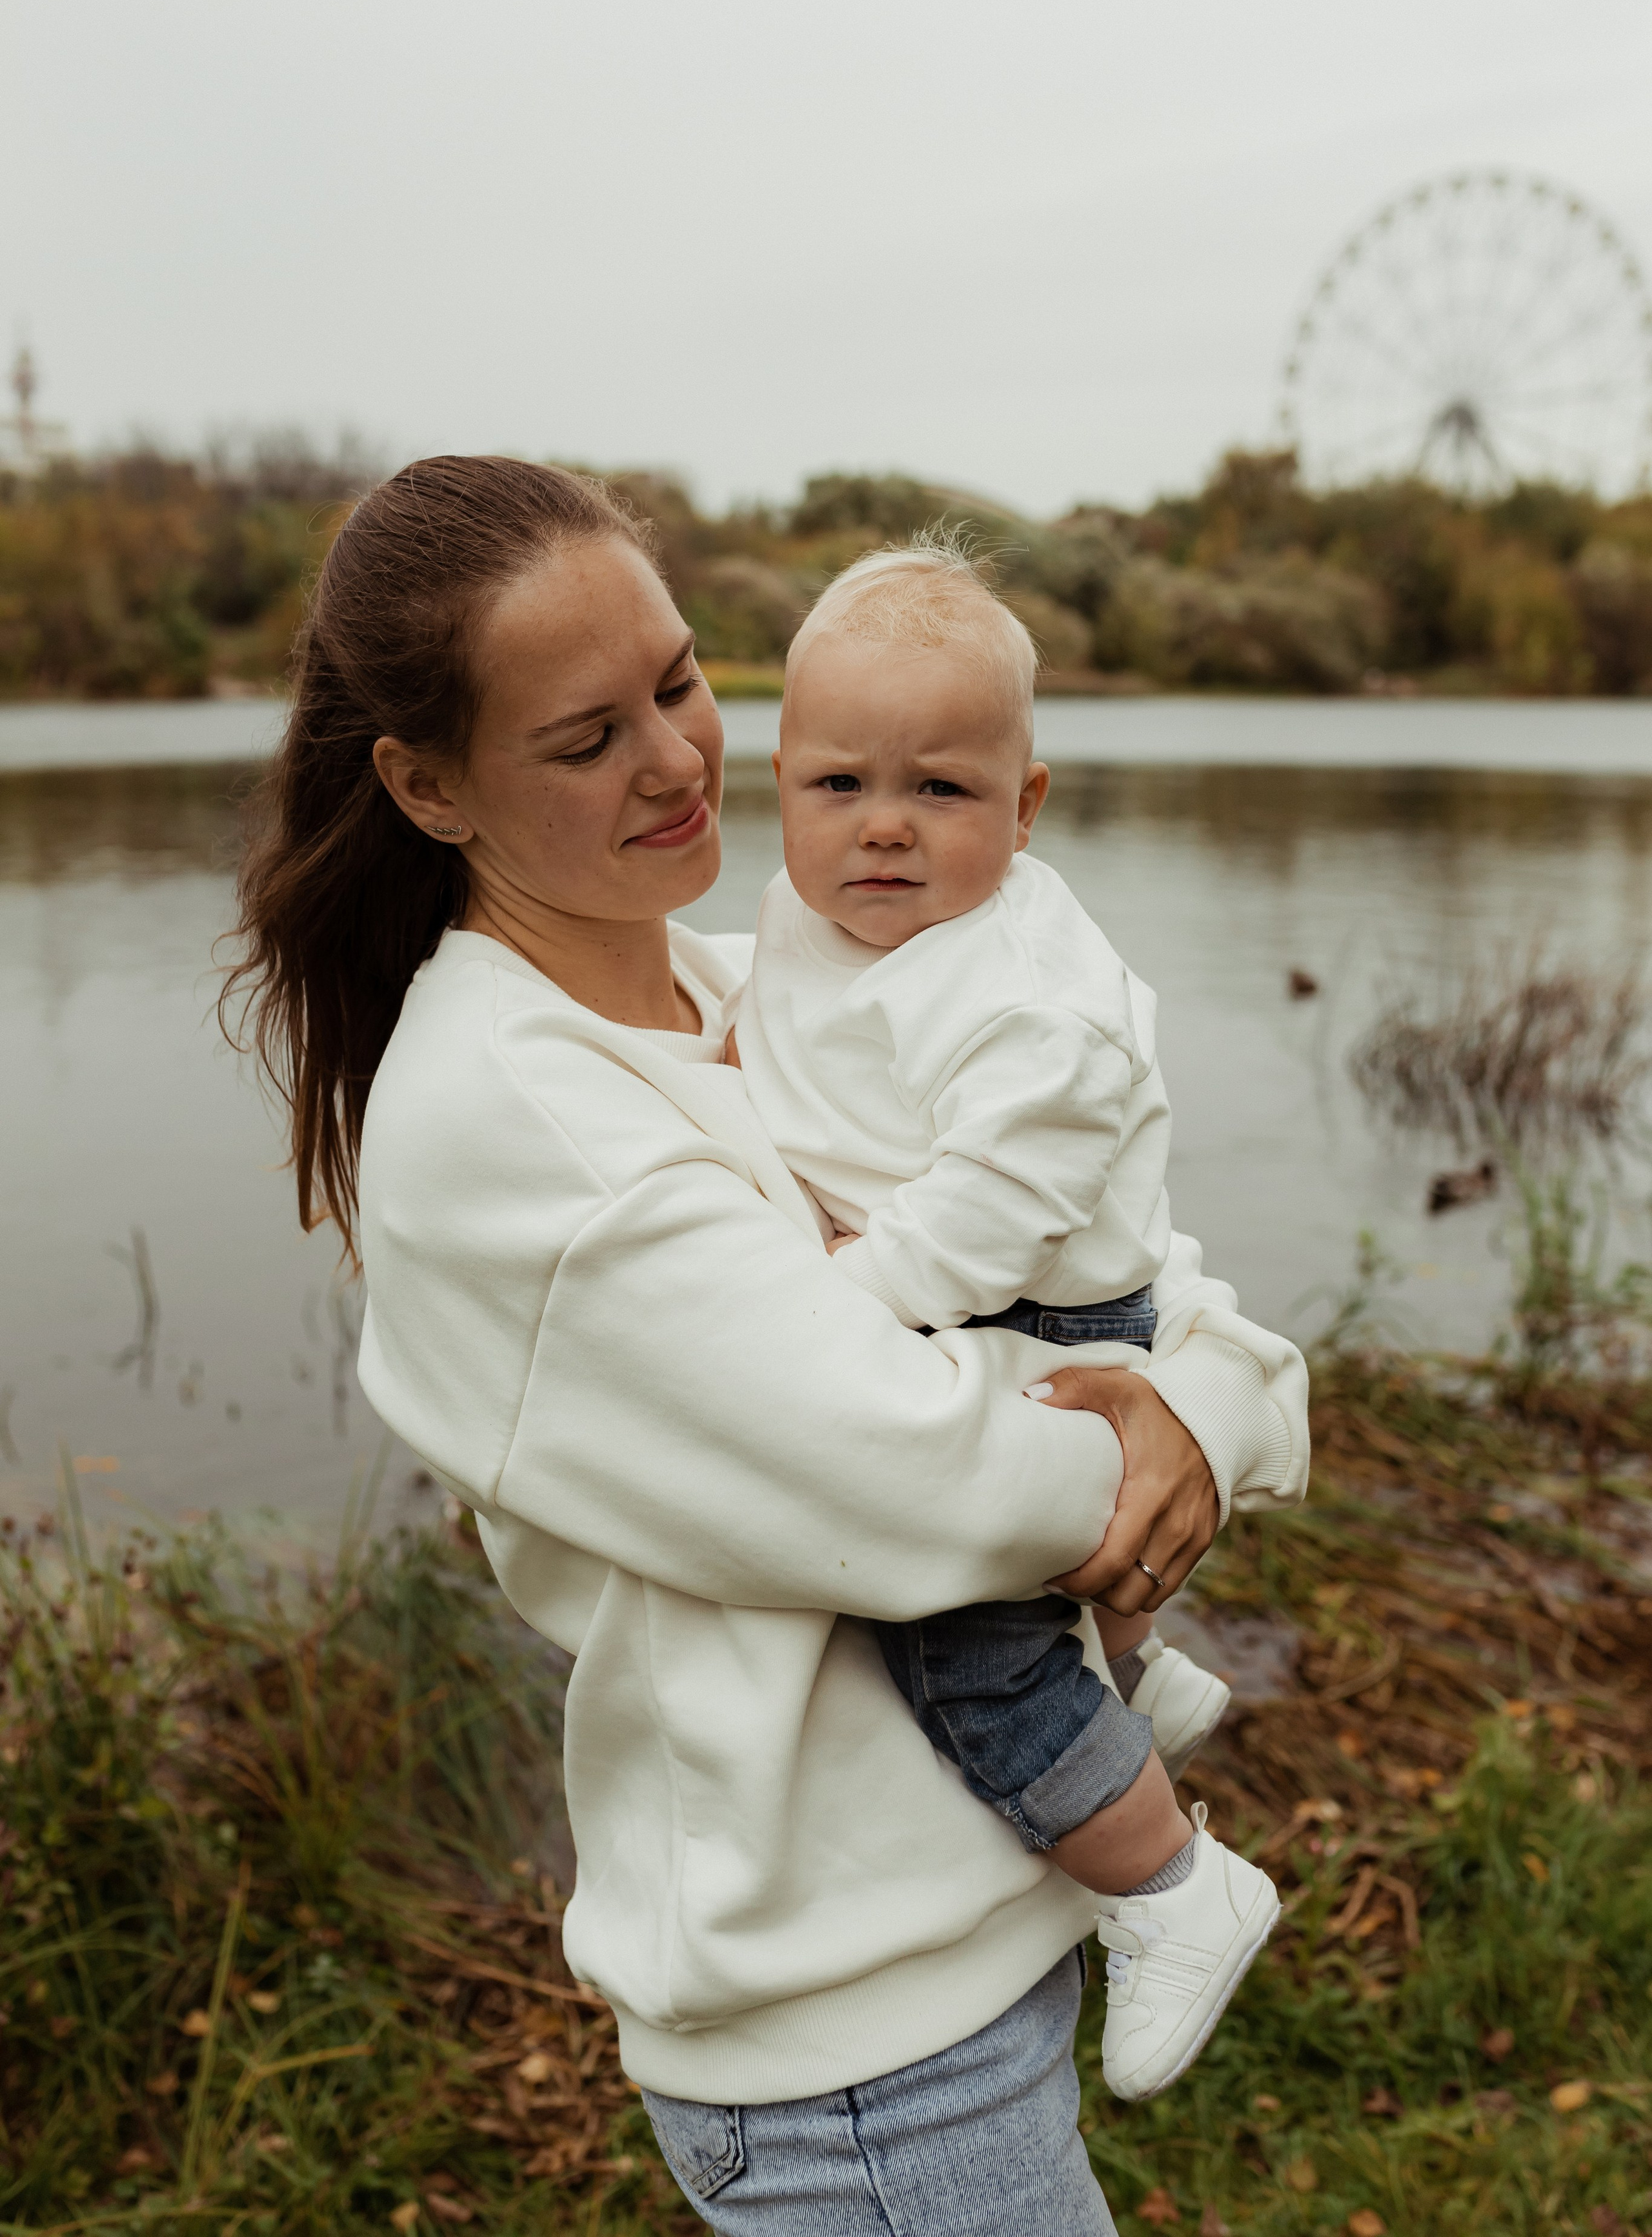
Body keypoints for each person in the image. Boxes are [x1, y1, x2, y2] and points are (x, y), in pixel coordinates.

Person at [225, 456, 1309, 2236]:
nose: (674, 760)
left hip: (974, 1933)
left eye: (678, 683)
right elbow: (913, 1471)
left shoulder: (751, 987)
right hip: (853, 2049)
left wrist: (1209, 1391)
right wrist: (1172, 1434)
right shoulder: (511, 1120)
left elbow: (1121, 1249)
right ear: (428, 786)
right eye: (586, 740)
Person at [734, 537, 1285, 2100]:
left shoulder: (1027, 998)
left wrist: (843, 1299)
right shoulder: (813, 919)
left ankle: (1172, 1887)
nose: (883, 826)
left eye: (941, 790)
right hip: (978, 1284)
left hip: (1040, 1306)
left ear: (1025, 805)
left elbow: (992, 1210)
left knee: (957, 1642)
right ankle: (1130, 1673)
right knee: (1005, 1591)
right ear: (780, 786)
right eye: (838, 785)